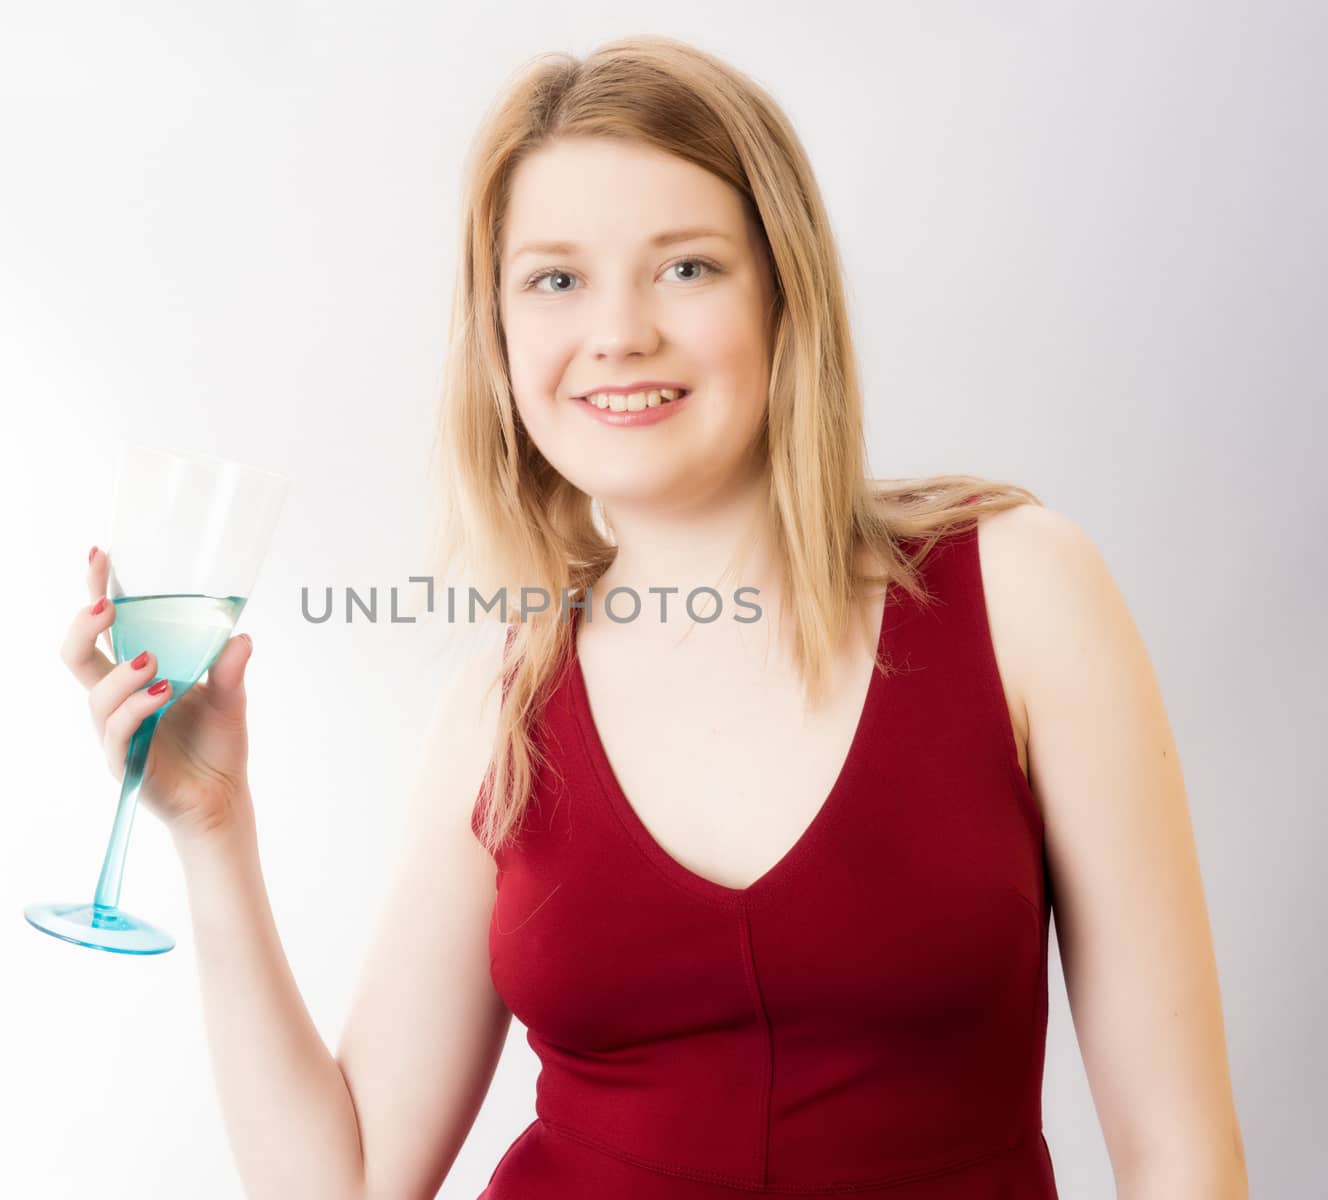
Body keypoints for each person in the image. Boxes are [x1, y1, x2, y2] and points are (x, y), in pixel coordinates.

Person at [60, 34, 1249, 1200]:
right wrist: (212, 831)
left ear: (785, 295)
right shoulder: (504, 694)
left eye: (685, 267)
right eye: (555, 279)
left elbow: (1183, 1161)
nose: (617, 332)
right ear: (504, 337)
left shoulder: (1023, 591)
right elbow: (350, 1182)